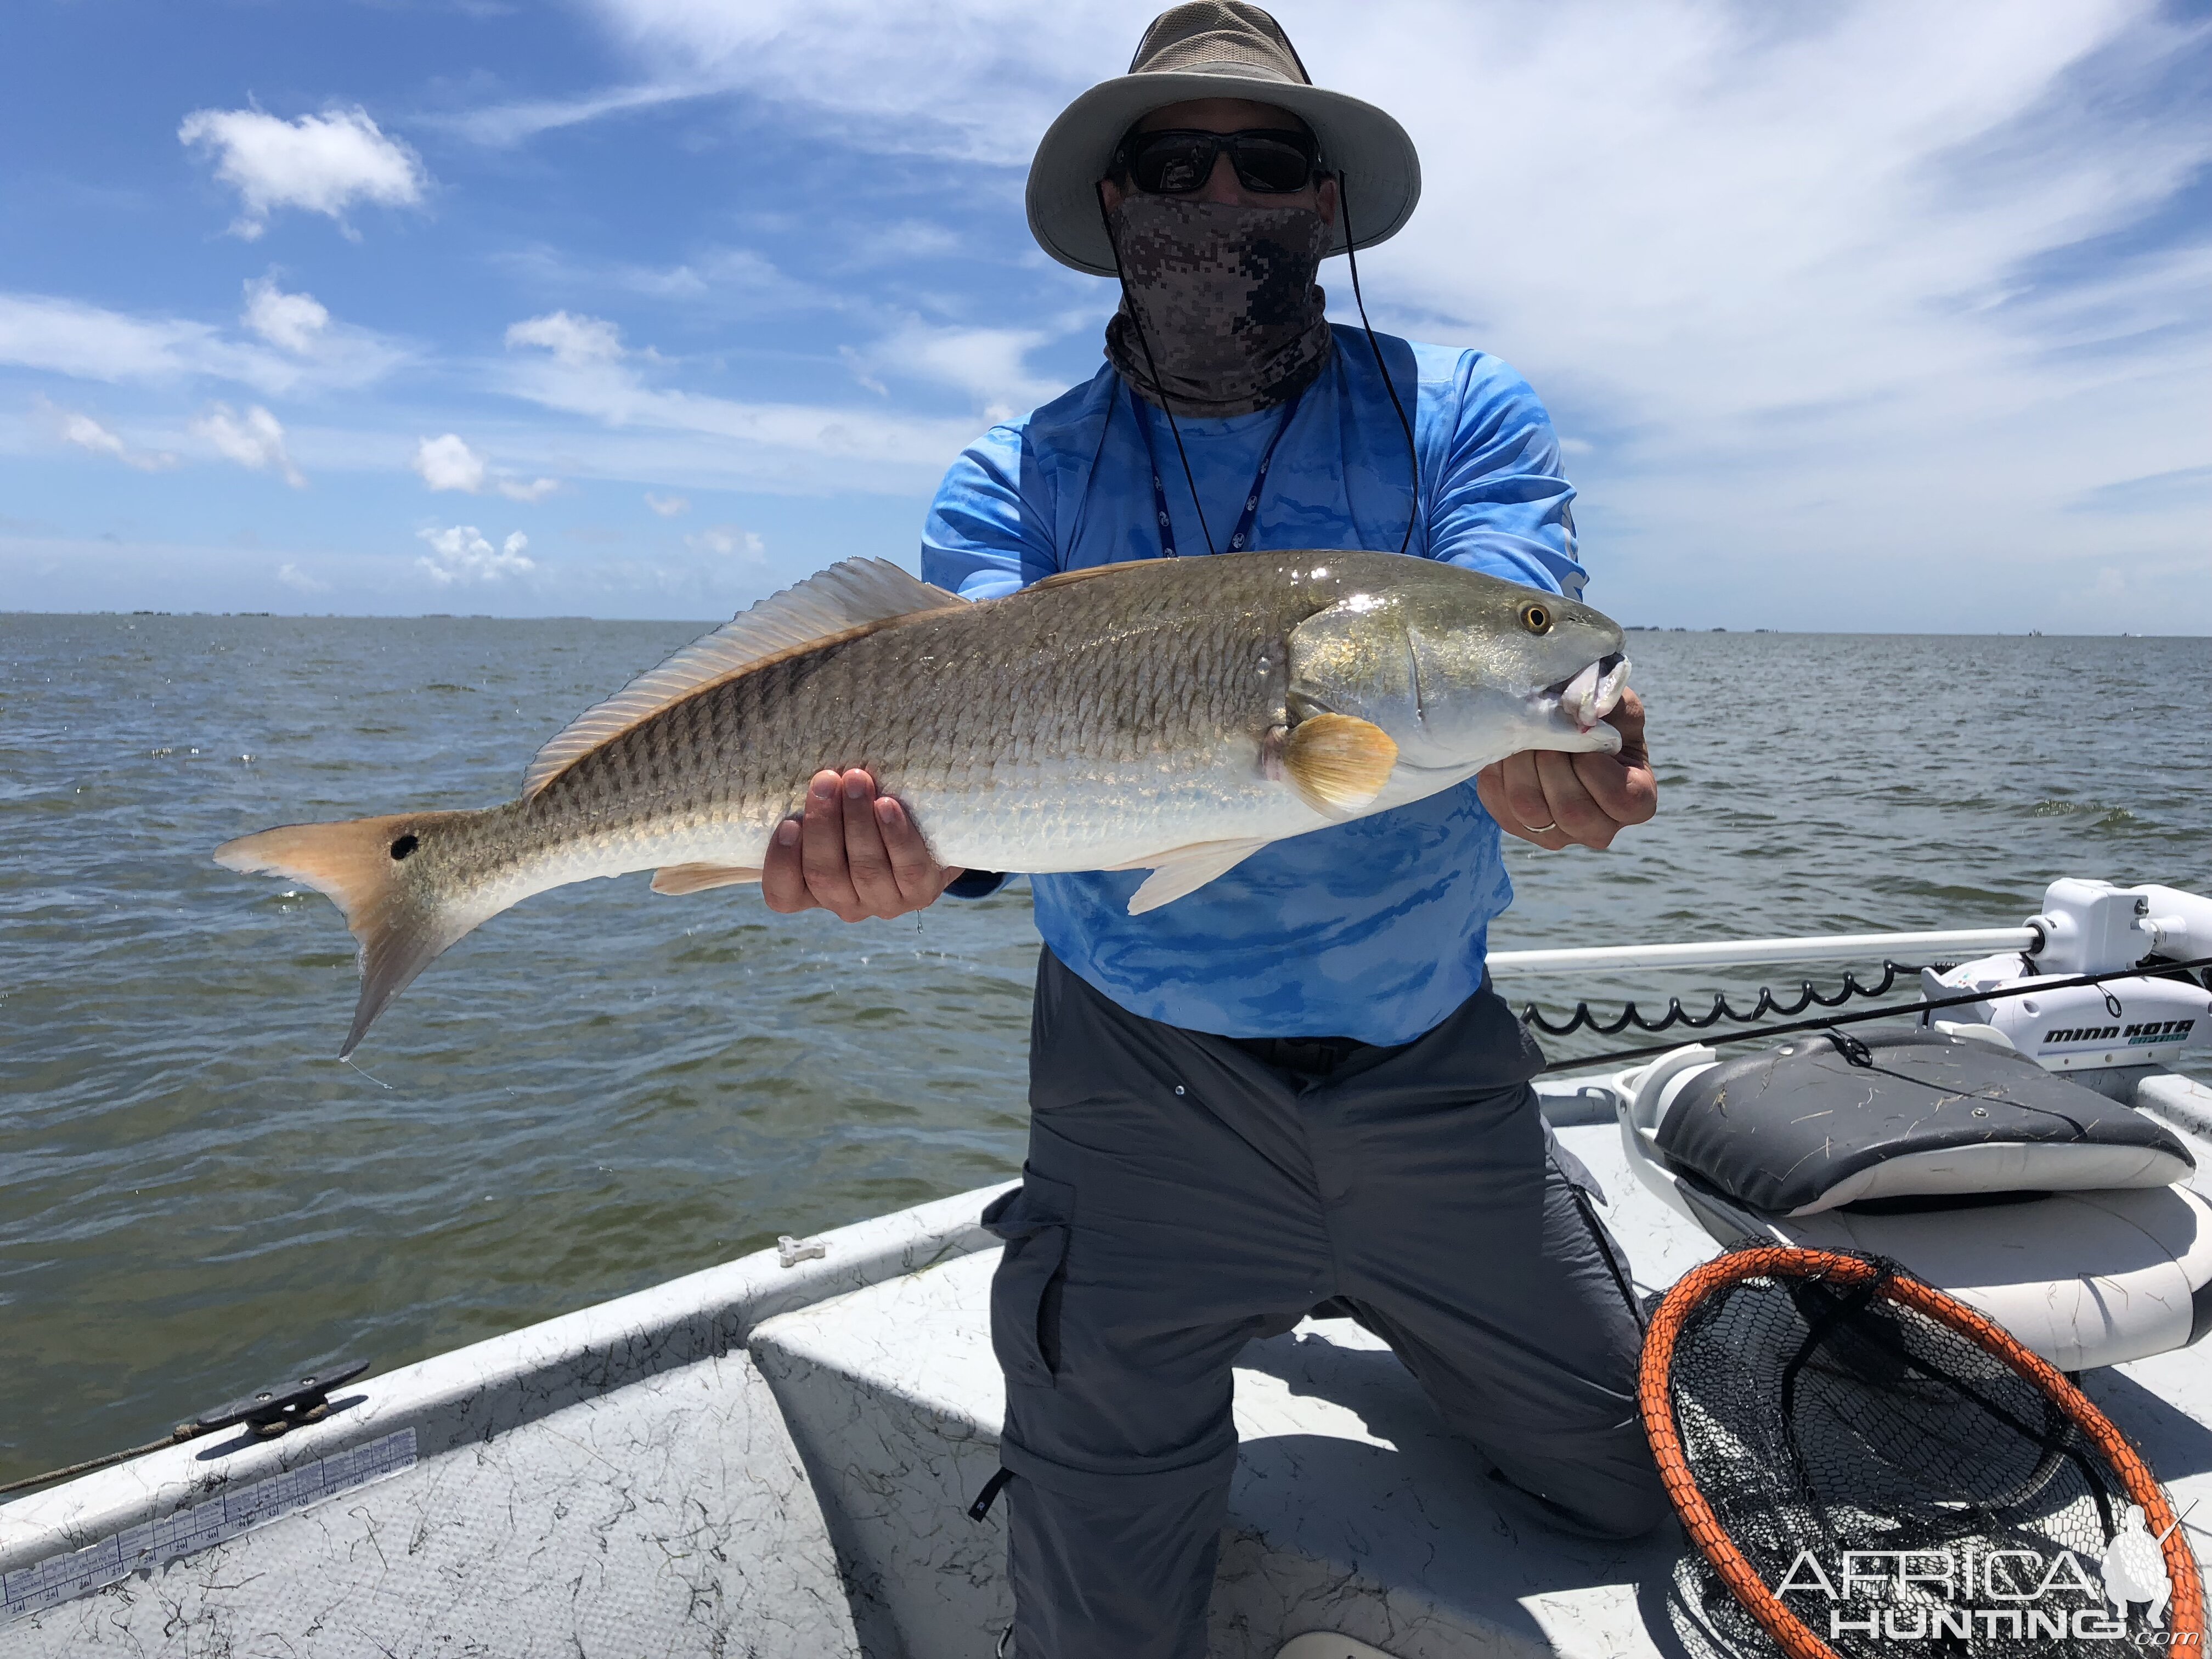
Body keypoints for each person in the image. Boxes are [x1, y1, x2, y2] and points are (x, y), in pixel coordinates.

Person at [760, 5, 1663, 1654]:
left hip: (1432, 1065)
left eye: (1269, 161)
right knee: (1102, 1603)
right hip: (1137, 1085)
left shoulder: (1455, 409)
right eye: (1175, 163)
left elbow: (1535, 624)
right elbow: (971, 765)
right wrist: (914, 854)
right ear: (1114, 207)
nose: (1223, 195)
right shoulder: (1015, 472)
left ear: (1326, 206)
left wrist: (1562, 747)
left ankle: (1411, 1292)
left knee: (1636, 1485)